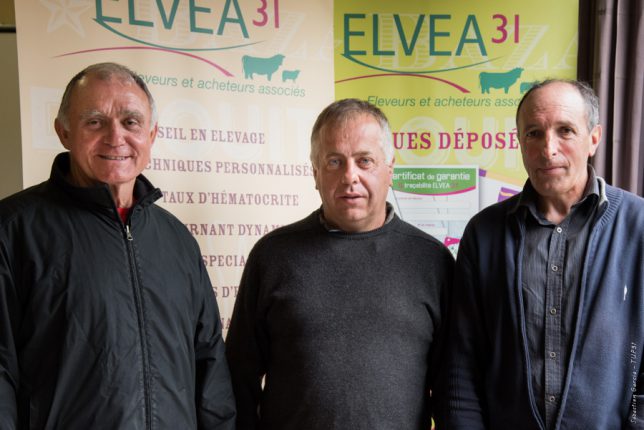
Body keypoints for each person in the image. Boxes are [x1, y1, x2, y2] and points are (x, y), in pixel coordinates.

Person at [0, 62, 236, 429]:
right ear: (63, 132)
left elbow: (210, 368)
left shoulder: (177, 240)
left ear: (152, 134)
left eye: (131, 122)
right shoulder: (12, 230)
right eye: (94, 122)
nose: (115, 137)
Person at [225, 98, 454, 429]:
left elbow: (452, 389)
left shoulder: (432, 262)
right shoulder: (272, 256)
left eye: (365, 161)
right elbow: (238, 379)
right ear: (315, 172)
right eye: (334, 161)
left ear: (390, 167)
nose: (350, 177)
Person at [439, 79, 644, 429]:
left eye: (565, 131)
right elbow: (462, 362)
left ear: (594, 138)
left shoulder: (638, 226)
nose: (548, 149)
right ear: (520, 143)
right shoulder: (484, 234)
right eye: (534, 133)